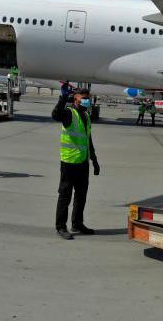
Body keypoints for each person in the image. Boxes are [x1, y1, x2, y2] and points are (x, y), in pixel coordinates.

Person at [52, 88, 100, 240]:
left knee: (81, 195)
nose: (87, 100)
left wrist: (94, 160)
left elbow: (88, 139)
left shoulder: (86, 115)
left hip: (83, 162)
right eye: (84, 98)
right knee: (65, 196)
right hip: (69, 162)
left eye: (88, 98)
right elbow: (55, 115)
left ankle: (77, 224)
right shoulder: (69, 113)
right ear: (76, 99)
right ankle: (61, 226)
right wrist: (62, 98)